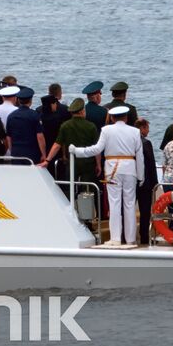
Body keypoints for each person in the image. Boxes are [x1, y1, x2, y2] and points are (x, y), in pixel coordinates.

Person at [70, 105, 145, 246]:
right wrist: (141, 176)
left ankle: (116, 238)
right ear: (126, 117)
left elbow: (97, 149)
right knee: (129, 205)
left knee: (115, 203)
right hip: (130, 169)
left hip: (113, 169)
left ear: (111, 117)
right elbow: (139, 156)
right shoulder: (135, 131)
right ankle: (131, 239)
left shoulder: (106, 130)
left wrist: (77, 151)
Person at [45, 98, 100, 192]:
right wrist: (98, 164)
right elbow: (96, 149)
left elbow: (57, 145)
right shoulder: (91, 126)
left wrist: (47, 160)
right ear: (82, 111)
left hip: (72, 162)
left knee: (69, 189)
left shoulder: (65, 126)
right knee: (87, 190)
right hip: (88, 163)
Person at [5, 87, 46, 164]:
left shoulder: (11, 116)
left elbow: (8, 137)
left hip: (16, 152)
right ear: (31, 100)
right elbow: (40, 136)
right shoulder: (35, 115)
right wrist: (43, 154)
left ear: (18, 100)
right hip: (32, 152)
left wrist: (12, 150)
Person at [136, 118, 158, 245]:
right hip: (145, 183)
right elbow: (151, 165)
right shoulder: (146, 143)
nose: (148, 131)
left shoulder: (129, 142)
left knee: (127, 209)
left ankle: (124, 235)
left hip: (131, 181)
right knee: (145, 211)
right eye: (147, 128)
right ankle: (144, 236)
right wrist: (155, 183)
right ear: (142, 128)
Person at [39, 83, 68, 174]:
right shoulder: (65, 110)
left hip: (44, 148)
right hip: (60, 148)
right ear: (60, 93)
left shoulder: (38, 110)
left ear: (49, 92)